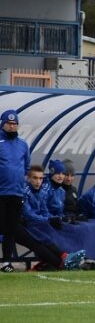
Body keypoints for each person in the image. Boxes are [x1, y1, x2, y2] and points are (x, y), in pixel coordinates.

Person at [0, 109, 31, 273]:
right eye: (9, 123)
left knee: (10, 229)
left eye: (14, 124)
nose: (12, 126)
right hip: (0, 193)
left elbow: (26, 167)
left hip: (16, 193)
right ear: (2, 124)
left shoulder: (23, 145)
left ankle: (6, 261)